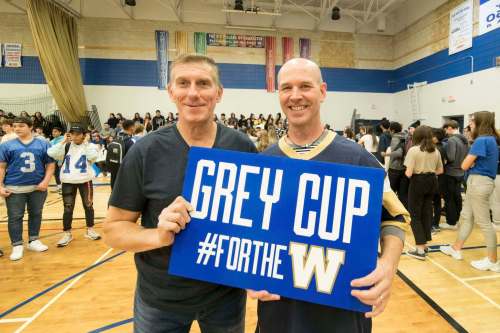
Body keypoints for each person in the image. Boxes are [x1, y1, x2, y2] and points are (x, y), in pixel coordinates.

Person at [250, 58, 409, 333]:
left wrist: (388, 265)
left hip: (341, 316)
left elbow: (394, 218)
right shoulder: (264, 163)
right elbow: (247, 232)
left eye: (305, 86)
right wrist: (247, 273)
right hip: (278, 315)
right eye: (287, 88)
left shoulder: (358, 158)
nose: (295, 95)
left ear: (322, 91)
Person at [103, 54, 257, 332]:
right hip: (160, 299)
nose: (193, 93)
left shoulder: (242, 147)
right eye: (183, 83)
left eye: (203, 83)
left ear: (218, 93)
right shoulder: (145, 151)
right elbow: (113, 229)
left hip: (226, 297)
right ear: (172, 92)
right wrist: (158, 235)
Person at [440, 111, 499, 272]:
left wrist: (470, 163)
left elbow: (464, 165)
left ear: (480, 122)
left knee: (484, 223)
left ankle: (493, 260)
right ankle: (456, 248)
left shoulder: (481, 140)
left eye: (472, 121)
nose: (470, 124)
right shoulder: (491, 139)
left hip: (478, 183)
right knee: (466, 217)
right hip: (480, 182)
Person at [0, 117, 55, 261]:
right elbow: (1, 167)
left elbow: (50, 165)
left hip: (37, 187)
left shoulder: (44, 144)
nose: (17, 128)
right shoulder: (6, 145)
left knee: (36, 213)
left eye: (21, 126)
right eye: (15, 126)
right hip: (14, 187)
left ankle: (33, 240)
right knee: (15, 217)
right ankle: (17, 245)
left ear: (30, 127)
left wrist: (46, 181)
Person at [47, 125, 101, 247]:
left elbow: (92, 157)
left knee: (88, 206)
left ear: (83, 134)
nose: (75, 136)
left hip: (85, 181)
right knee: (68, 208)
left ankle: (90, 230)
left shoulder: (90, 146)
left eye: (78, 133)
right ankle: (67, 233)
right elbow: (51, 153)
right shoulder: (65, 146)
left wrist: (86, 143)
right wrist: (63, 141)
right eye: (72, 133)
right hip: (68, 181)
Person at [404, 126, 443, 260]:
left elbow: (408, 173)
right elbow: (440, 171)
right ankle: (424, 245)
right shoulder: (435, 150)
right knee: (426, 212)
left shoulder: (413, 150)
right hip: (432, 181)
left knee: (415, 215)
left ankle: (420, 250)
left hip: (418, 181)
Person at [440, 120, 468, 230]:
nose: (446, 131)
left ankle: (451, 223)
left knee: (449, 198)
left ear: (450, 128)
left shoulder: (452, 140)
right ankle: (457, 220)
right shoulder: (464, 139)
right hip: (460, 172)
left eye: (446, 129)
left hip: (451, 173)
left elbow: (450, 157)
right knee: (457, 197)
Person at [107, 119, 136, 189]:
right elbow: (133, 159)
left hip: (114, 171)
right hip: (125, 173)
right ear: (132, 128)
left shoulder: (115, 138)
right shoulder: (130, 141)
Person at [387, 121, 409, 208]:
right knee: (403, 194)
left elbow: (398, 153)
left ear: (392, 130)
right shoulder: (406, 137)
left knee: (391, 192)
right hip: (405, 167)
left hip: (395, 169)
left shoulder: (395, 138)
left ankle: (391, 212)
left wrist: (387, 154)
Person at [50, 127, 65, 193]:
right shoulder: (52, 141)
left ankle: (66, 187)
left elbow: (62, 151)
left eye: (55, 131)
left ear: (60, 132)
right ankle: (59, 187)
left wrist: (61, 161)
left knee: (62, 174)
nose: (53, 133)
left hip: (62, 160)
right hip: (54, 160)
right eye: (53, 132)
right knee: (56, 174)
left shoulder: (63, 139)